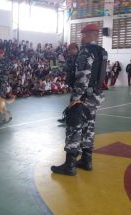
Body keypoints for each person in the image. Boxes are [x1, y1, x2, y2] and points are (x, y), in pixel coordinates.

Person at [51, 24, 108, 176]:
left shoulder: (86, 52)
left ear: (88, 34)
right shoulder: (102, 52)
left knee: (74, 128)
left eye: (83, 35)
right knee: (89, 127)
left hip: (83, 97)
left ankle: (70, 166)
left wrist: (75, 98)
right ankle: (86, 160)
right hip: (95, 96)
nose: (81, 38)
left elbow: (83, 77)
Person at [58, 43, 79, 123]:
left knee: (74, 102)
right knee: (72, 101)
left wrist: (68, 68)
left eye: (70, 50)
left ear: (75, 49)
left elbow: (72, 69)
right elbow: (66, 68)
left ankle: (69, 118)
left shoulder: (80, 58)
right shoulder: (71, 58)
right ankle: (68, 117)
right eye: (69, 50)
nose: (69, 51)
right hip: (73, 83)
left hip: (79, 84)